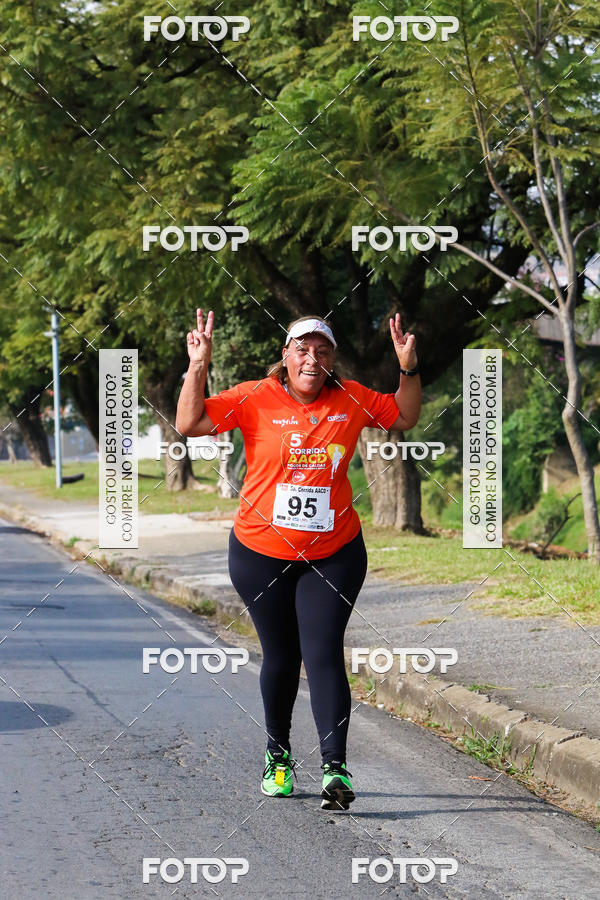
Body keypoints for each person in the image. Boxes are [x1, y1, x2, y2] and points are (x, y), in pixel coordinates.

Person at [176, 309, 421, 811]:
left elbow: (405, 415)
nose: (312, 358)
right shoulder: (253, 397)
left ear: (331, 360)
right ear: (285, 356)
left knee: (323, 651)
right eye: (303, 349)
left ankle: (335, 768)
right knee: (282, 656)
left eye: (322, 351)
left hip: (333, 553)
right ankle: (278, 756)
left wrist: (408, 367)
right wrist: (198, 365)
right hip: (260, 554)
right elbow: (189, 422)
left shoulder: (350, 397)